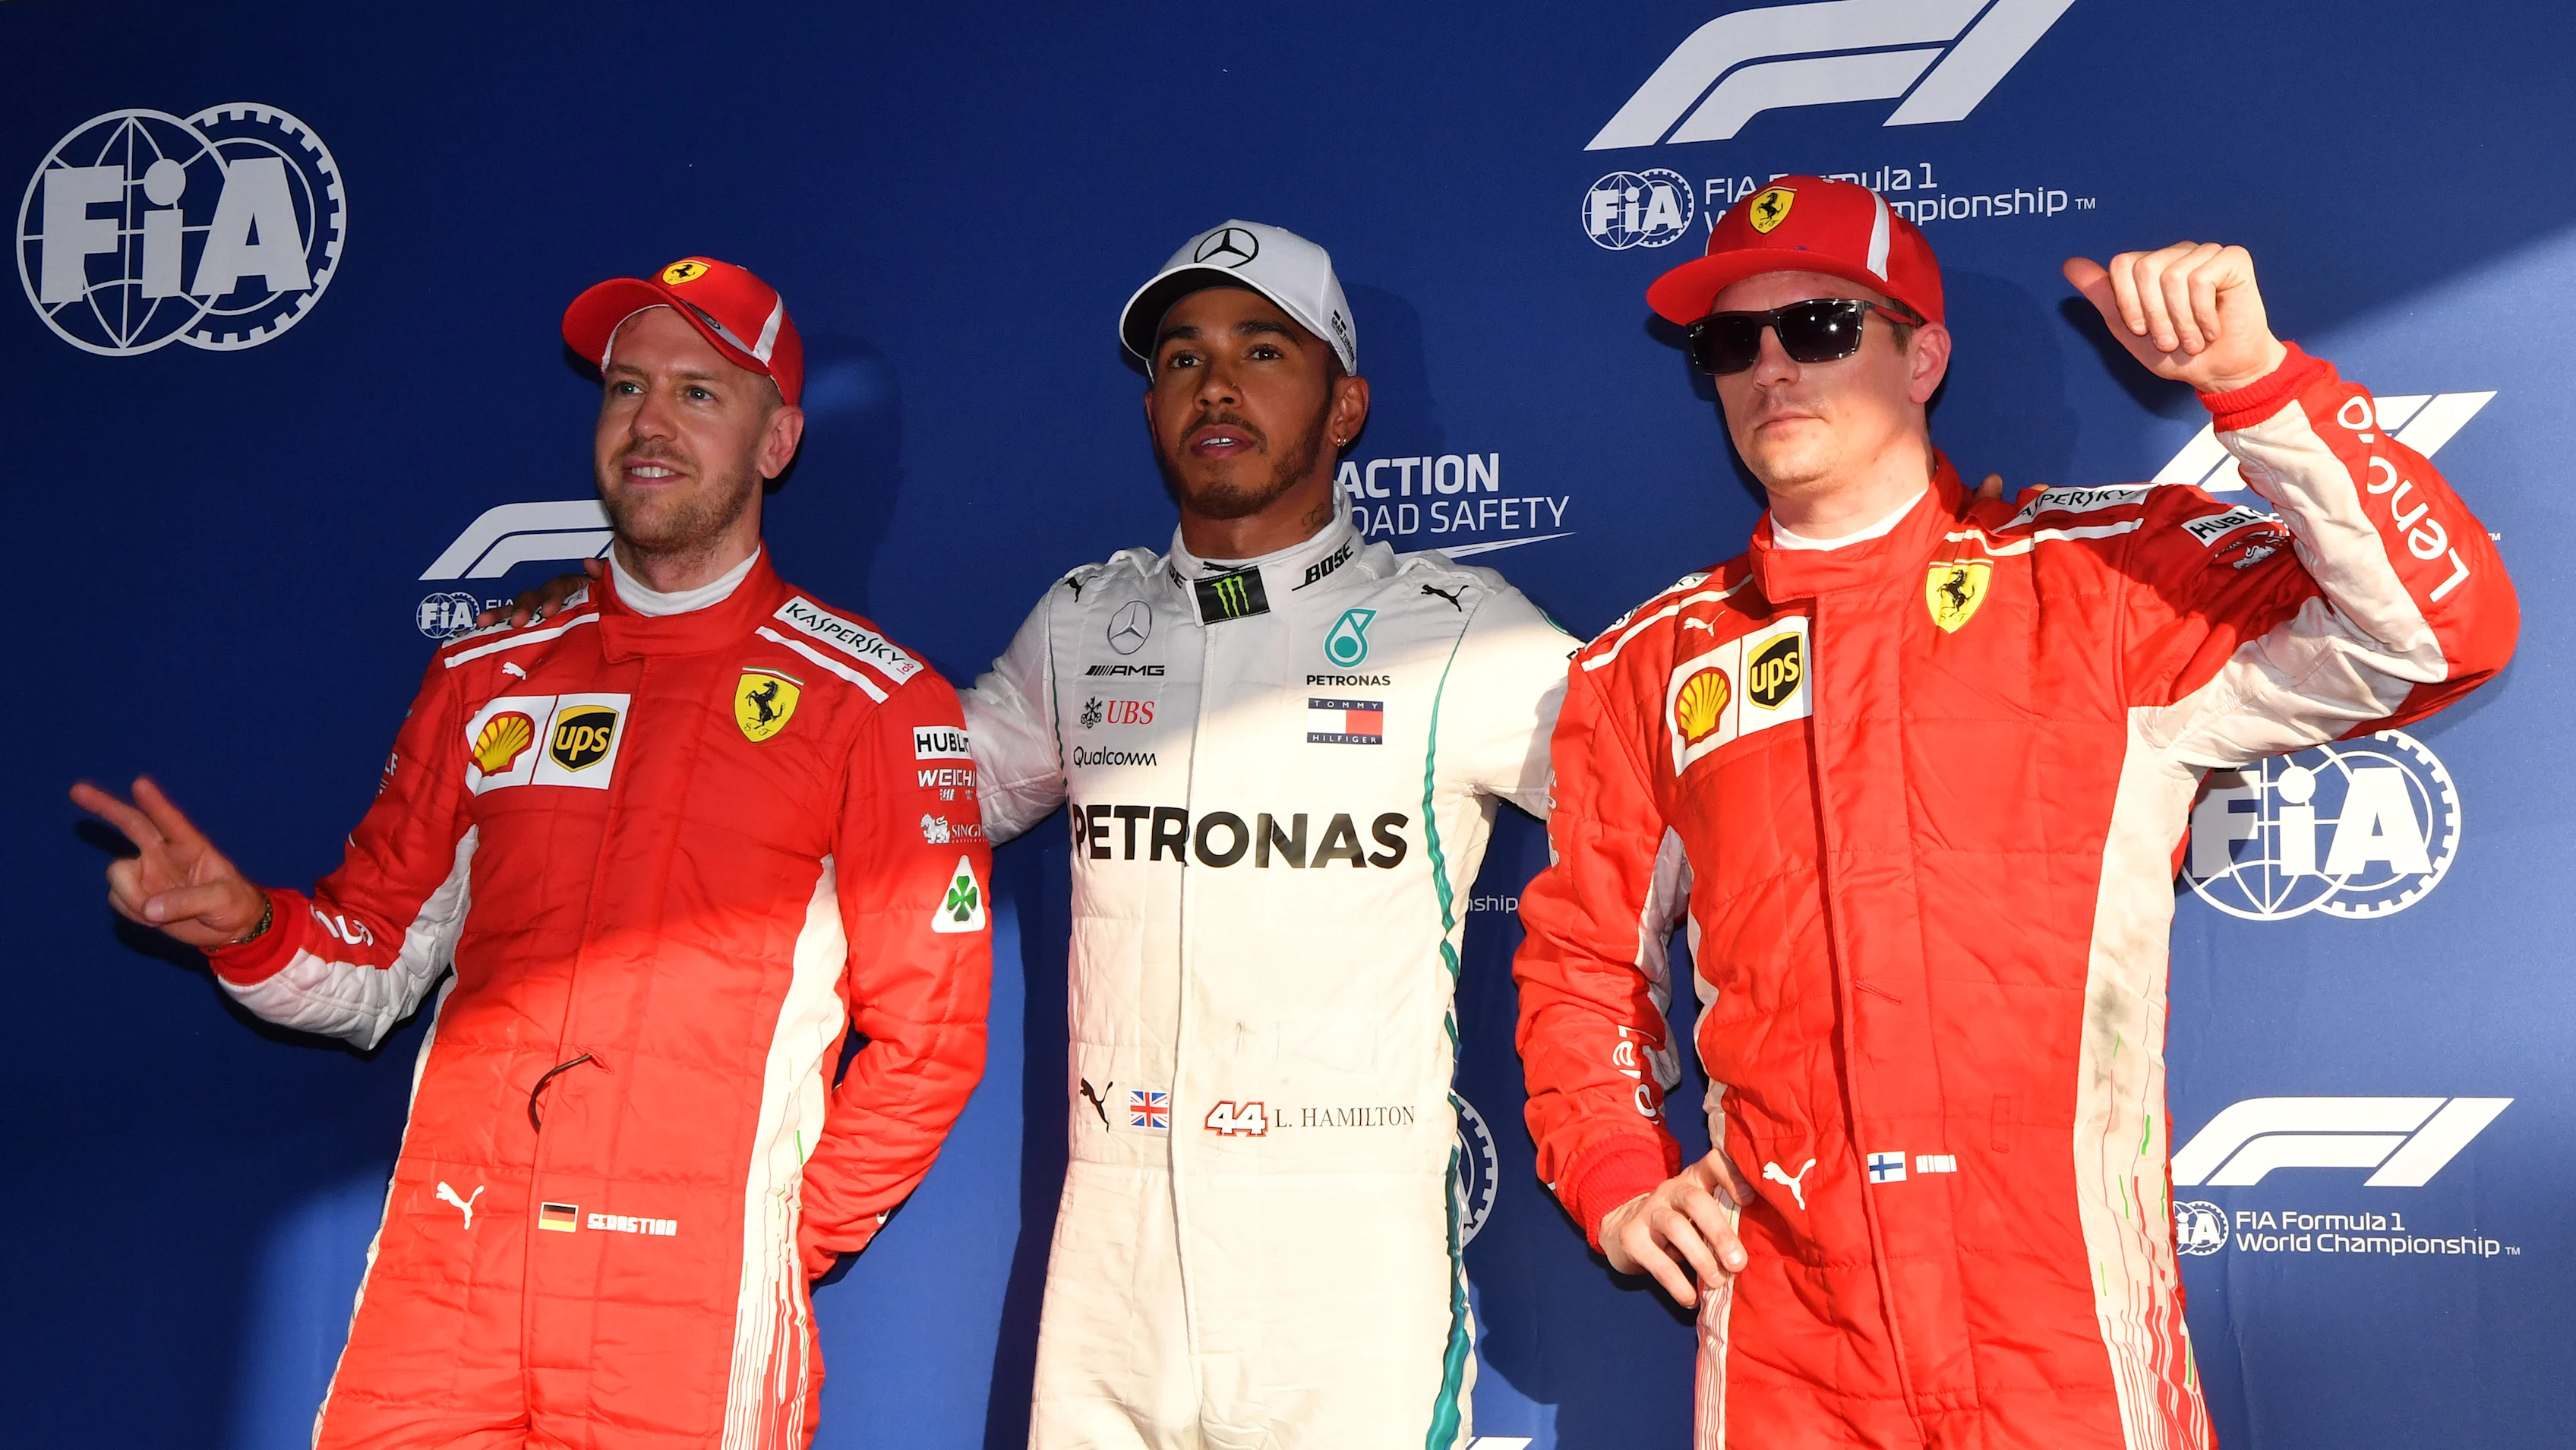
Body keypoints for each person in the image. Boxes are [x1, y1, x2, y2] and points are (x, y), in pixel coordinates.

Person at [1511, 176, 2517, 1448]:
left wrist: (2256, 385)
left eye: (1818, 327)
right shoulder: (1650, 665)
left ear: (1920, 354)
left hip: (2066, 1339)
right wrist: (1614, 1173)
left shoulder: (2100, 586)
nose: (1771, 366)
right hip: (1792, 1357)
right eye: (1730, 342)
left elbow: (2442, 634)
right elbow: (1581, 966)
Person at [72, 257, 991, 1449]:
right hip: (445, 1284)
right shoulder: (486, 673)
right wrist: (251, 929)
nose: (649, 423)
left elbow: (932, 1039)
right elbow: (374, 962)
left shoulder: (875, 700)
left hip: (685, 1312)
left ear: (779, 442)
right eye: (624, 390)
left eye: (700, 393)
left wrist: (768, 1233)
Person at [964, 221, 1577, 1448]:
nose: (1217, 384)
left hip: (1343, 1254)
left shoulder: (1456, 628)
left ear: (1345, 408)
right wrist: (657, 636)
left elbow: (1688, 796)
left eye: (1262, 349)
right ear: (1151, 409)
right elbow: (900, 788)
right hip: (1114, 1246)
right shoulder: (1086, 623)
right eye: (1182, 359)